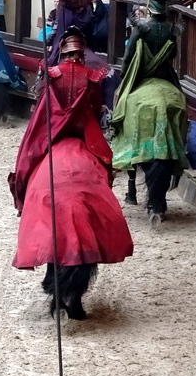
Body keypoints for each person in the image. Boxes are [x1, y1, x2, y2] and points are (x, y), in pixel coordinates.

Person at [9, 27, 133, 320]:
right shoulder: (94, 77)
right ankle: (74, 298)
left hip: (55, 144)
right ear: (82, 52)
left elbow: (43, 116)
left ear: (62, 50)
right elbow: (91, 113)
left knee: (28, 164)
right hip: (82, 141)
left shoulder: (51, 74)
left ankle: (23, 200)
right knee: (104, 167)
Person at [109, 0, 189, 224]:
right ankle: (182, 137)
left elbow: (129, 56)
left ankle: (116, 133)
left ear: (149, 9)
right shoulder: (172, 29)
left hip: (141, 76)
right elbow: (171, 55)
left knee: (119, 99)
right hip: (165, 77)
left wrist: (125, 79)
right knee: (181, 101)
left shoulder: (142, 28)